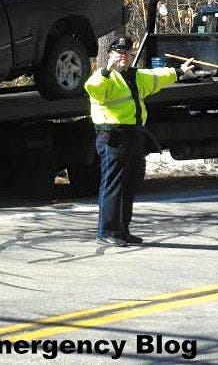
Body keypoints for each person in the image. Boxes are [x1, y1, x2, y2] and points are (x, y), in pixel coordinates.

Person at [84, 37, 196, 246]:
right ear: (110, 55)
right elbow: (93, 88)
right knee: (113, 185)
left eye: (126, 53)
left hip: (133, 135)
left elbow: (157, 76)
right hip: (112, 136)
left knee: (129, 183)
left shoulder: (136, 76)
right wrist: (108, 69)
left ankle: (122, 230)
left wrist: (179, 71)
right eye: (118, 53)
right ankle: (107, 232)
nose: (123, 56)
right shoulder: (102, 77)